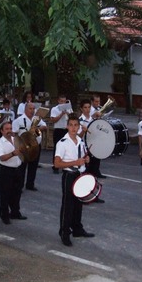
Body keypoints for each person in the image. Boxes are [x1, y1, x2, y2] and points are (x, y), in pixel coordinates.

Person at [54, 113, 95, 247]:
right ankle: (64, 233)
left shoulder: (81, 141)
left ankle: (77, 229)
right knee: (68, 206)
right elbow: (57, 164)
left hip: (80, 174)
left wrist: (86, 160)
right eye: (71, 125)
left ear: (78, 127)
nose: (73, 128)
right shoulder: (62, 143)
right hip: (69, 175)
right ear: (67, 126)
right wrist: (74, 162)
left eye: (76, 125)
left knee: (79, 204)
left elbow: (82, 157)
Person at [0, 121, 26, 224]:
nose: (9, 131)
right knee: (5, 194)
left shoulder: (16, 140)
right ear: (2, 131)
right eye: (7, 129)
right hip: (5, 170)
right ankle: (5, 216)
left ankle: (15, 213)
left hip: (17, 169)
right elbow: (2, 158)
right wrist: (13, 153)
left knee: (17, 192)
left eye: (10, 128)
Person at [12, 102, 47, 191]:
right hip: (23, 146)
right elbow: (14, 134)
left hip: (35, 146)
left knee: (33, 166)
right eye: (30, 109)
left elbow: (44, 127)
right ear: (25, 109)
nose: (32, 111)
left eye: (33, 109)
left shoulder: (37, 119)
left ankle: (30, 184)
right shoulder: (18, 120)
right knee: (22, 167)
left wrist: (36, 129)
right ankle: (19, 186)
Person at [78, 99, 105, 203]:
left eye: (89, 107)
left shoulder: (93, 119)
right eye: (85, 107)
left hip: (95, 148)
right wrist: (83, 132)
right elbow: (77, 137)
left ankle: (95, 195)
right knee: (86, 173)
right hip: (85, 149)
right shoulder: (80, 120)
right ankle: (84, 195)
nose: (87, 109)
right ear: (81, 108)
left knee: (94, 172)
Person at [50, 94, 70, 174]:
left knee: (66, 148)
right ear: (58, 101)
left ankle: (65, 165)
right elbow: (53, 120)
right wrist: (61, 114)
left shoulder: (68, 109)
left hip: (66, 130)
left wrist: (68, 114)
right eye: (61, 101)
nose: (63, 103)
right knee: (57, 148)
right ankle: (55, 166)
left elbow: (71, 118)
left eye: (64, 101)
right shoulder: (54, 109)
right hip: (58, 130)